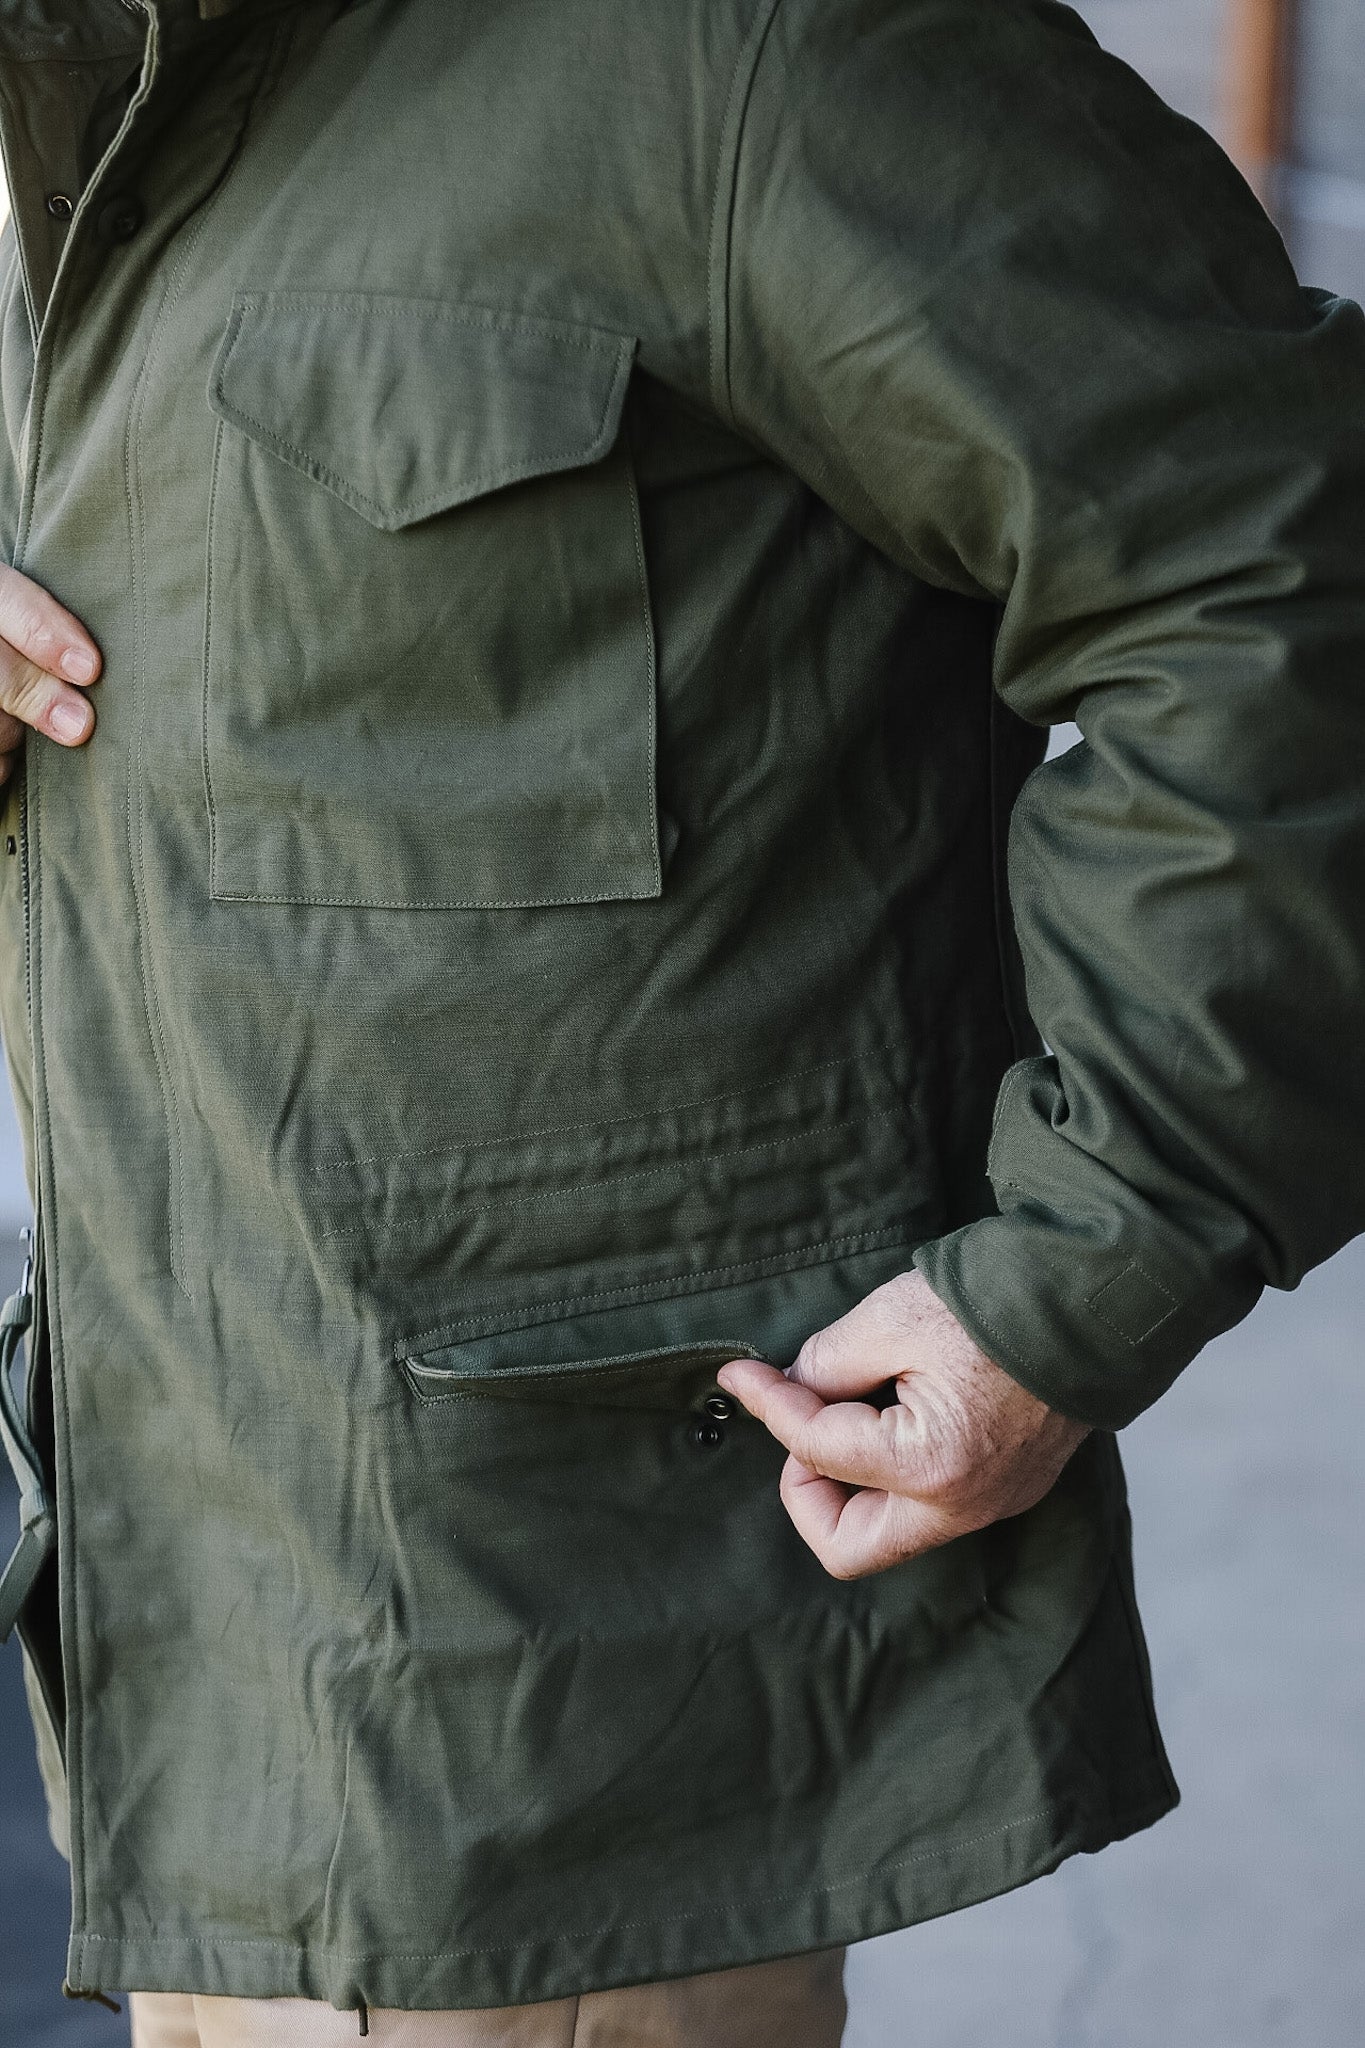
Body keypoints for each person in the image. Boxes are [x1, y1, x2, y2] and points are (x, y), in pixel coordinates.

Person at [0, 0, 1362, 2042]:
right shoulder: (95, 76)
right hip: (183, 1649)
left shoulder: (748, 40)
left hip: (552, 1731)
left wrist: (1098, 1248)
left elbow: (1281, 565)